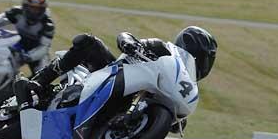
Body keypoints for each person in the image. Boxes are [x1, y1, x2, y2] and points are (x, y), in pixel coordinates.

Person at [19, 24, 217, 98]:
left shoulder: (185, 87)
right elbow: (126, 36)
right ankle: (41, 79)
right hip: (112, 74)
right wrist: (129, 43)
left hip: (127, 102)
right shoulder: (162, 48)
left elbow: (174, 126)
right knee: (89, 42)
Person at [4, 0, 55, 75]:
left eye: (38, 9)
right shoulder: (15, 12)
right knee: (4, 69)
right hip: (15, 47)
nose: (34, 12)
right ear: (24, 5)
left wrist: (28, 56)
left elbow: (44, 47)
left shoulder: (48, 24)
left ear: (43, 9)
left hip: (36, 52)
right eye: (31, 8)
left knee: (44, 74)